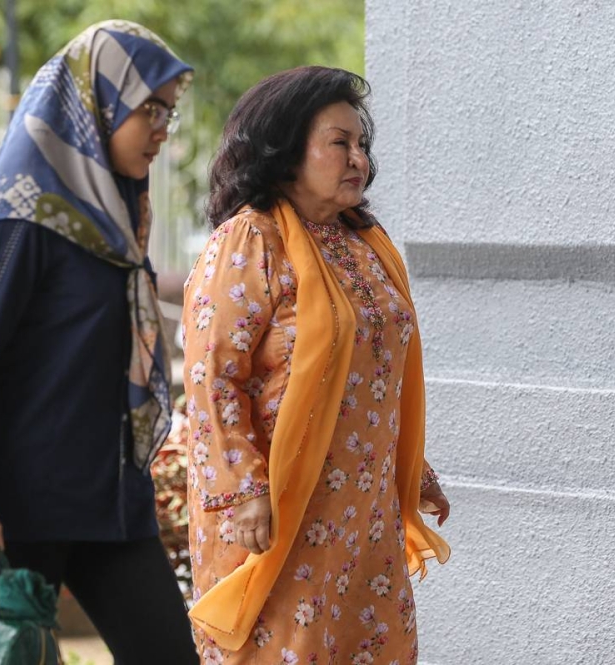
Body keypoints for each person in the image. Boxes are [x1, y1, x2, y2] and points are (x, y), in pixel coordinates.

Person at [0, 20, 198, 664]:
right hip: (18, 511)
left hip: (110, 507)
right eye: (148, 109)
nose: (161, 128)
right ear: (98, 106)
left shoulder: (115, 224)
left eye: (169, 113)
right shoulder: (21, 222)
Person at [181, 66, 452, 663]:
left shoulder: (362, 242)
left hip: (363, 510)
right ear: (285, 150)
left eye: (363, 144)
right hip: (276, 512)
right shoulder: (250, 241)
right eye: (340, 143)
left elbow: (374, 373)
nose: (359, 158)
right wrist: (245, 489)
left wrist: (411, 463)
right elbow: (212, 377)